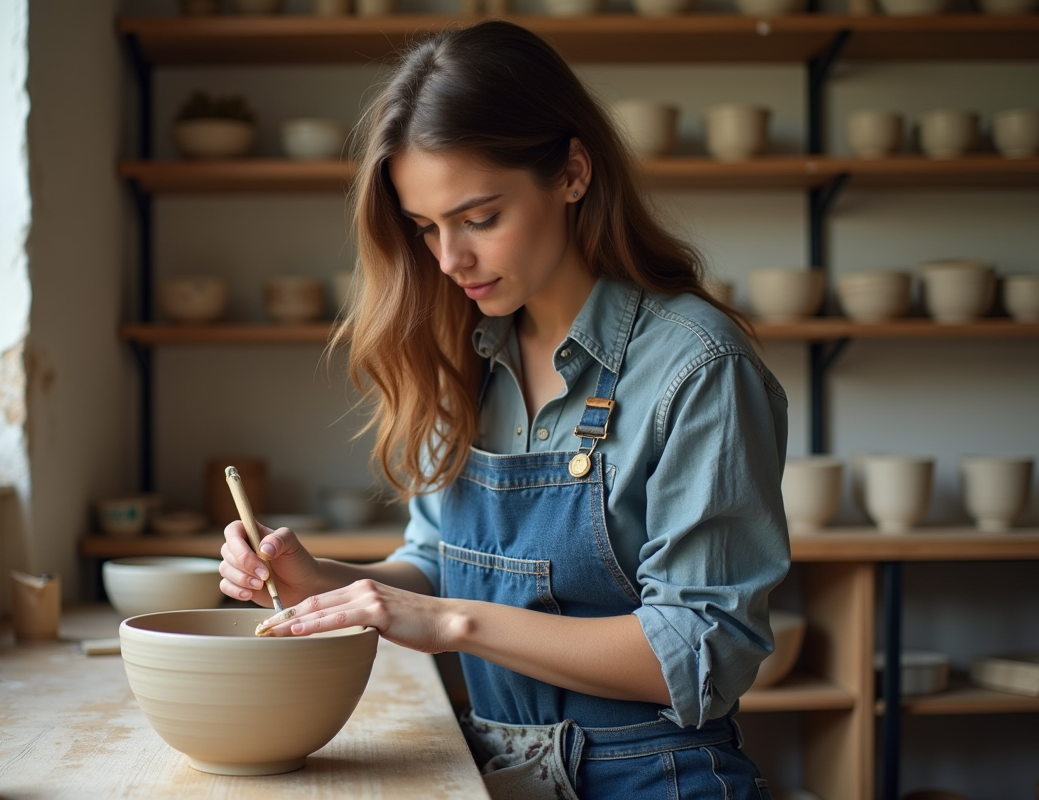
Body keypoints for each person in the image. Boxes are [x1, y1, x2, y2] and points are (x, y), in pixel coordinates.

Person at [219, 19, 789, 800]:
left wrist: (454, 623)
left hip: (656, 775)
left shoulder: (698, 367)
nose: (451, 259)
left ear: (573, 173)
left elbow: (700, 652)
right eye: (425, 228)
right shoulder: (458, 353)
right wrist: (321, 580)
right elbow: (435, 562)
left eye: (480, 217)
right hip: (488, 768)